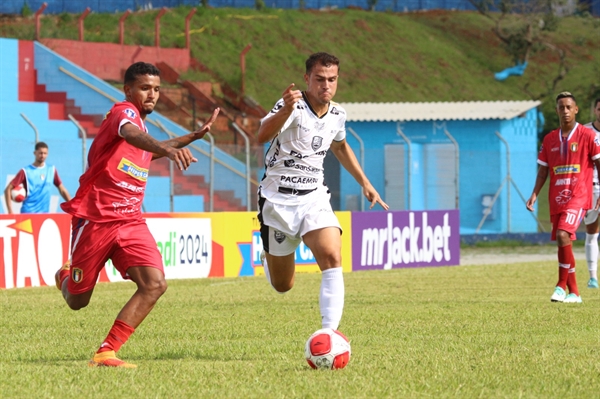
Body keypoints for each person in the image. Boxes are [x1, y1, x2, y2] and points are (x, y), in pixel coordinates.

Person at [54, 62, 220, 368]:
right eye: (145, 88)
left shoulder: (143, 132)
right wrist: (170, 151)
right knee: (77, 301)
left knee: (155, 284)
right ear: (128, 90)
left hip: (130, 221)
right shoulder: (123, 113)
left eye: (157, 89)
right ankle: (65, 274)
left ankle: (107, 351)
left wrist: (193, 137)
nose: (152, 95)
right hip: (96, 220)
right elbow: (132, 135)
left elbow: (150, 149)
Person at [256, 52, 389, 332]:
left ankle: (330, 334)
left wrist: (364, 182)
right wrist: (283, 112)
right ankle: (268, 255)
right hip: (278, 201)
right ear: (307, 79)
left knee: (331, 256)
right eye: (319, 79)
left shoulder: (338, 114)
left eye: (332, 79)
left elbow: (339, 146)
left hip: (314, 197)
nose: (326, 85)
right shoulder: (291, 105)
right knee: (283, 285)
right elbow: (261, 136)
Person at [526, 92, 600, 303]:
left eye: (569, 107)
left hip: (579, 195)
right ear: (557, 110)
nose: (565, 111)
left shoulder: (588, 136)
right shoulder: (549, 139)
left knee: (562, 235)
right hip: (557, 197)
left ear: (576, 110)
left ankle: (560, 285)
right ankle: (574, 293)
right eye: (561, 107)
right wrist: (534, 194)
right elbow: (543, 171)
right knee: (563, 241)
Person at [3, 142, 71, 214]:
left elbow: (62, 189)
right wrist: (10, 211)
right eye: (40, 153)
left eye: (45, 153)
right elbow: (8, 189)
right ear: (35, 153)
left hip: (44, 214)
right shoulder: (25, 171)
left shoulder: (51, 170)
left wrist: (71, 204)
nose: (42, 155)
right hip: (28, 213)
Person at [582, 98, 600, 289]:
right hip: (591, 187)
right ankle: (593, 277)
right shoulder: (585, 132)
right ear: (595, 110)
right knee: (592, 232)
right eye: (599, 109)